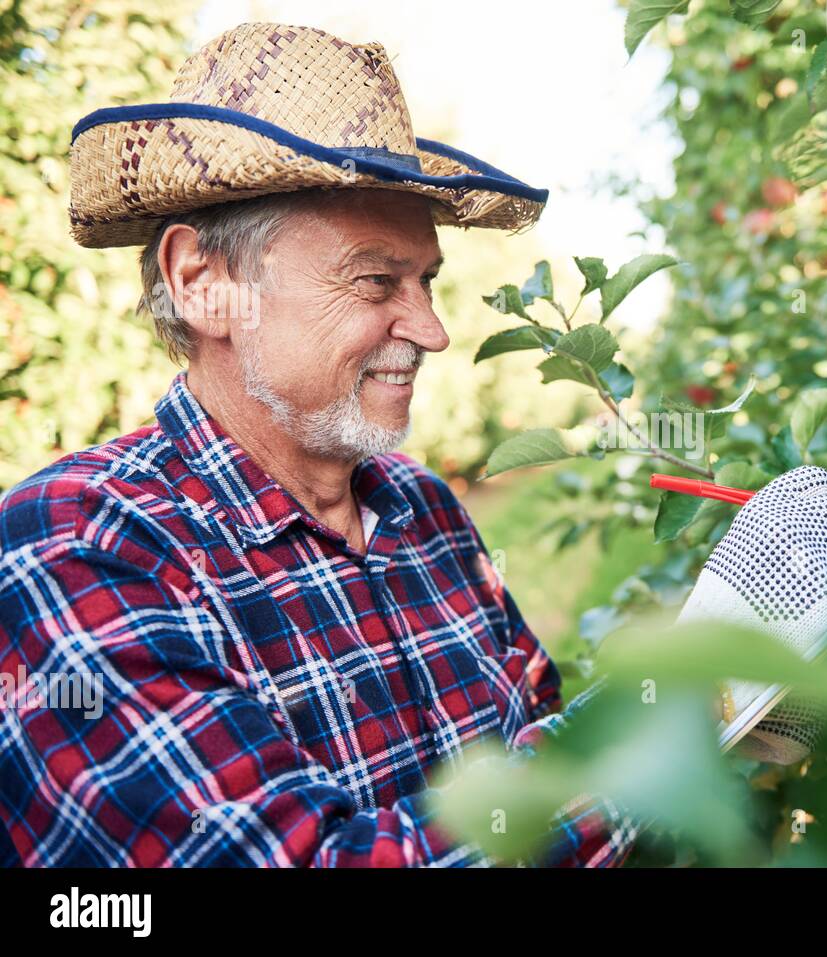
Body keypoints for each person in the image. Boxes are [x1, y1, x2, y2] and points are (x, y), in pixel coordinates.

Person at [0, 21, 635, 867]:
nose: (433, 330)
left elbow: (537, 736)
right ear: (205, 283)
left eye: (427, 281)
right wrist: (655, 741)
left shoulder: (426, 512)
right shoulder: (81, 542)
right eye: (377, 280)